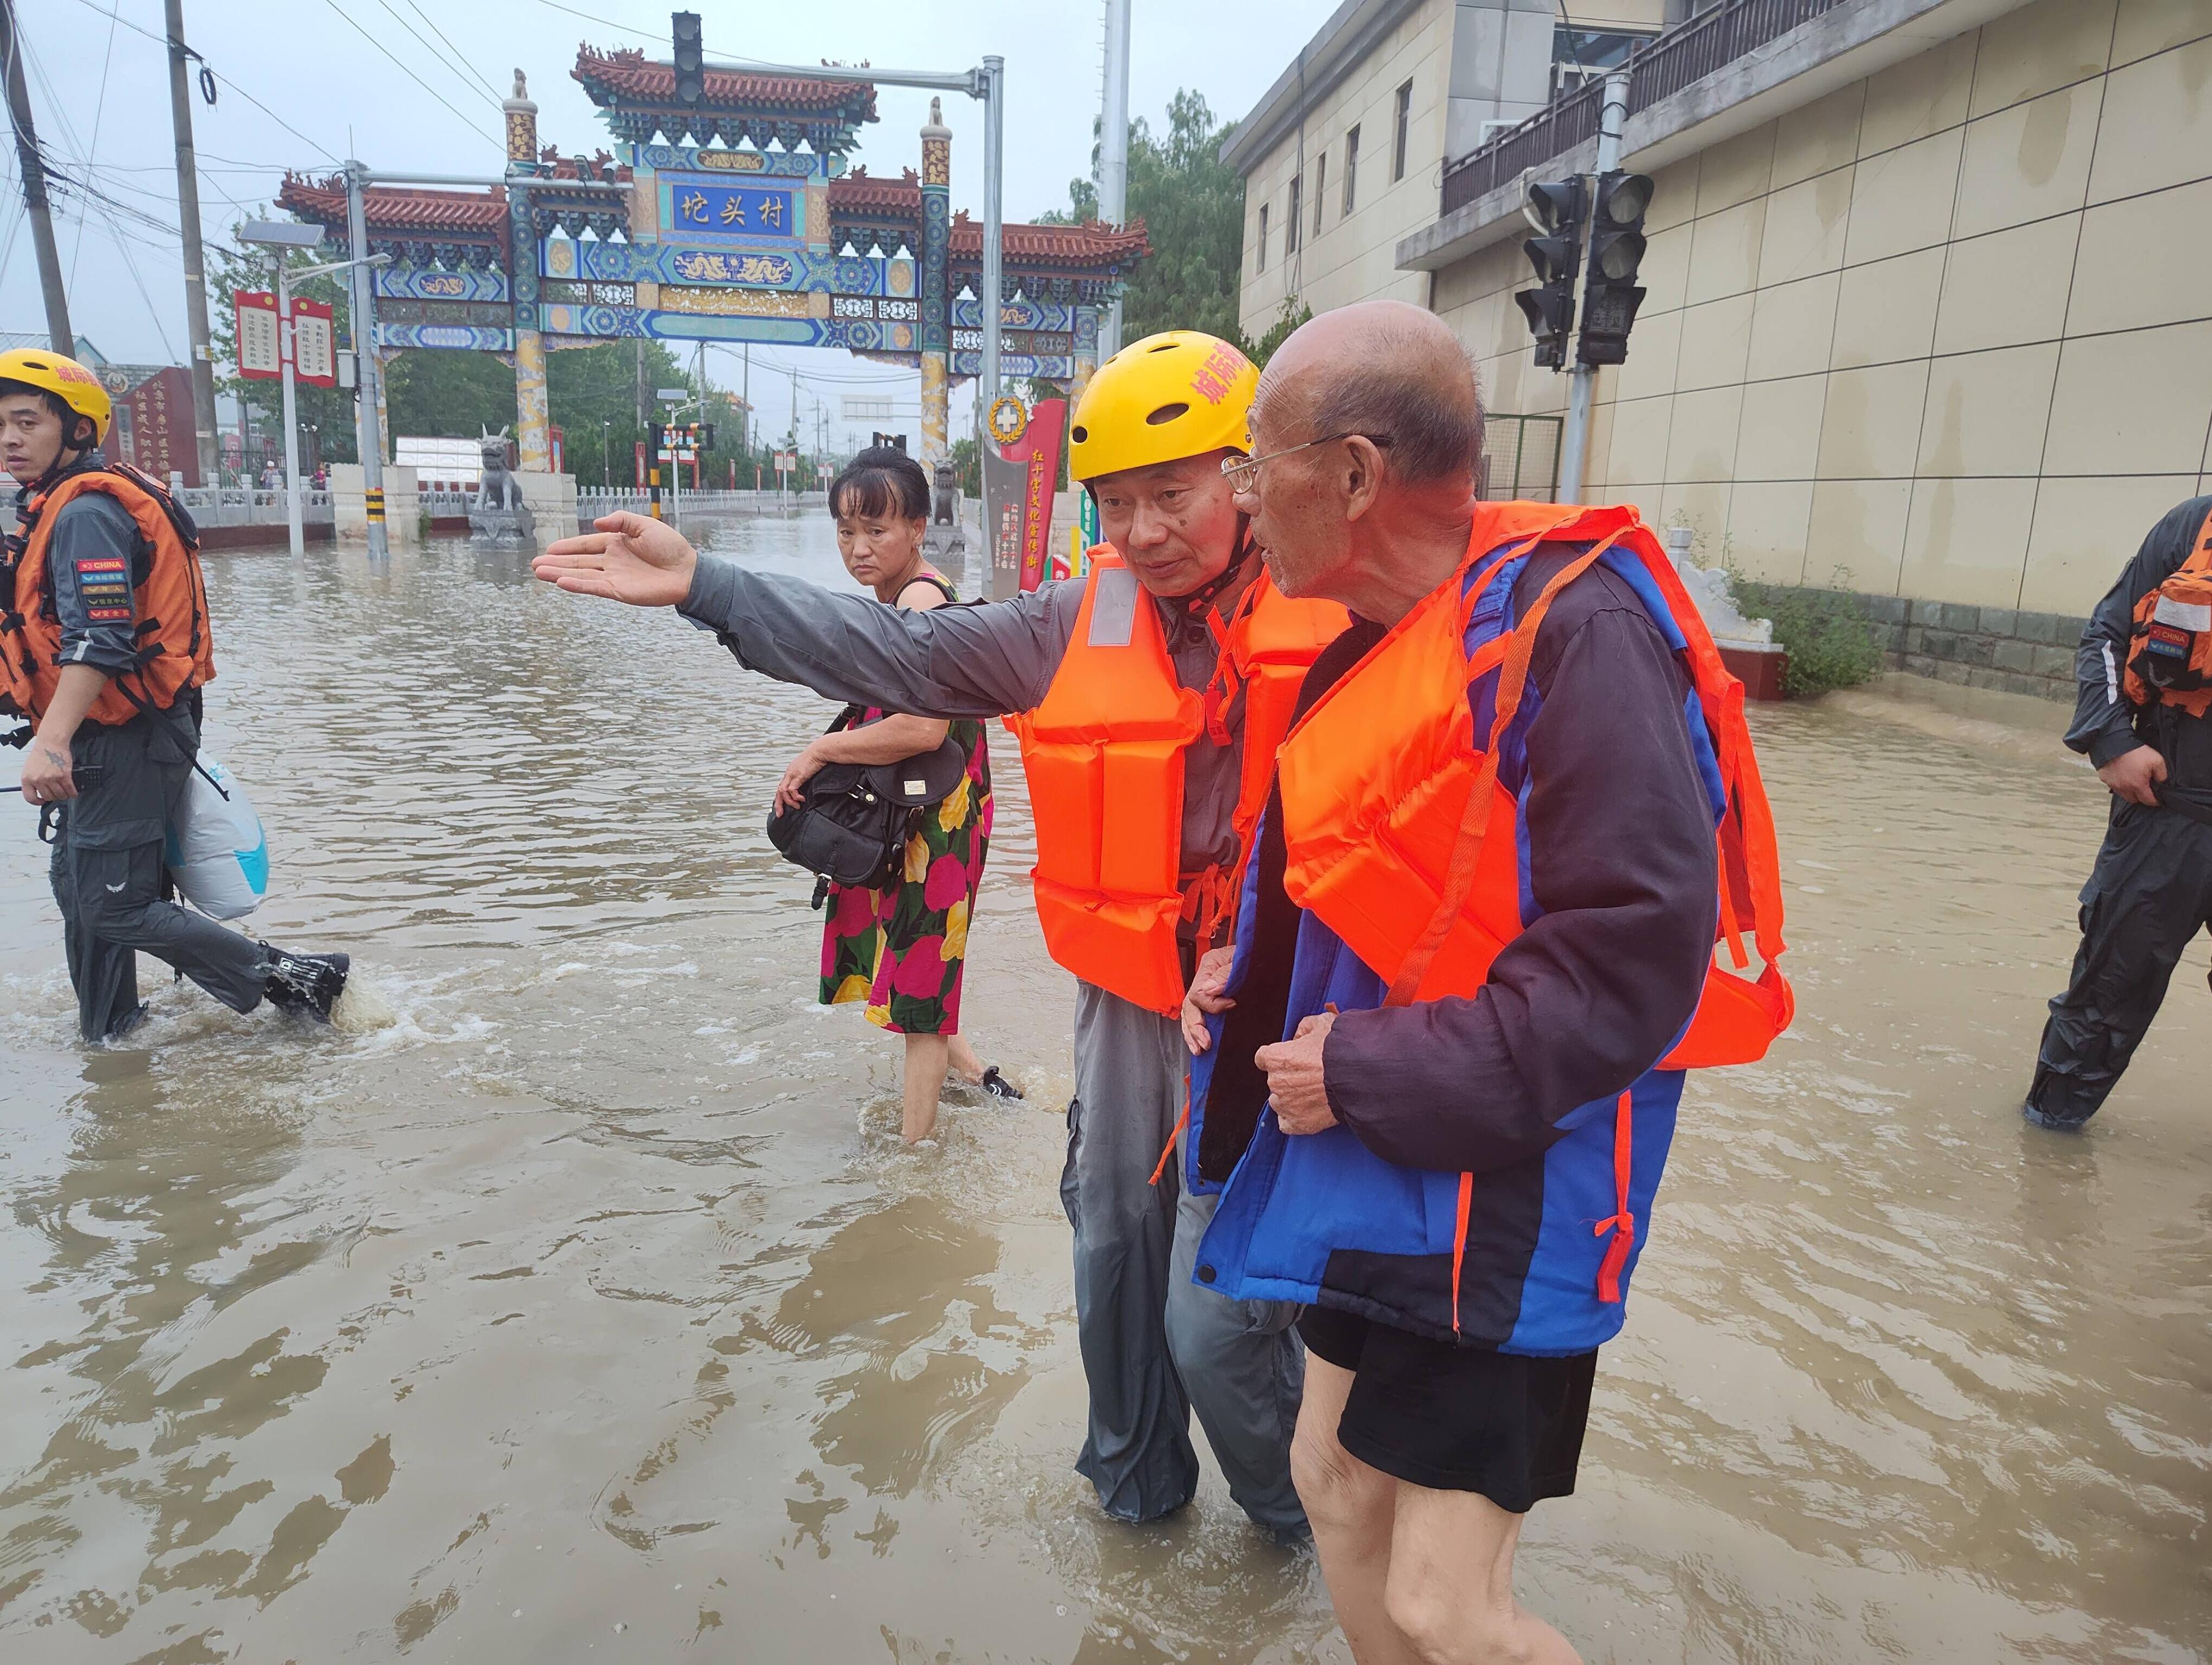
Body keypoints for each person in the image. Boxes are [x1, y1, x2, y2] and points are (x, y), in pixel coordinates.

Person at [533, 331, 1348, 1541]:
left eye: (1170, 494)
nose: (1143, 531)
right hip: (1132, 1000)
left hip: (1273, 1009)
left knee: (1217, 1320)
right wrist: (711, 586)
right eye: (1115, 504)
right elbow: (902, 652)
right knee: (1110, 1258)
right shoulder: (1078, 617)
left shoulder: (1346, 615)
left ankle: (1298, 1531)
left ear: (1245, 476)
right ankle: (1137, 1511)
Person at [1178, 300, 1790, 1663]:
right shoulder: (1384, 635)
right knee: (1334, 1486)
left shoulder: (1580, 636)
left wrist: (1359, 1069)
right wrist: (1244, 981)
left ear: (1347, 475)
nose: (1238, 500)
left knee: (1446, 1602)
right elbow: (1380, 896)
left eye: (1249, 463)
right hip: (1382, 1147)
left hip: (1514, 1175)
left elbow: (1626, 961)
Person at [0, 347, 350, 1041]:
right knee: (81, 892)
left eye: (26, 422)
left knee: (114, 905)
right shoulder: (52, 508)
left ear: (76, 430)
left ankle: (300, 979)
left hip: (124, 734)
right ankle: (109, 1035)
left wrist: (53, 740)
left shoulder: (86, 514)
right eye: (2, 425)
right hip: (106, 731)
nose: (10, 438)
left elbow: (100, 639)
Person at [776, 445, 1020, 1142]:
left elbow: (920, 725)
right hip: (930, 808)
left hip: (936, 822)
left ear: (918, 525)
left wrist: (821, 749)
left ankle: (915, 1158)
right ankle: (979, 1077)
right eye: (846, 531)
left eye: (876, 530)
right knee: (918, 956)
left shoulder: (918, 601)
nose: (858, 548)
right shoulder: (906, 595)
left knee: (919, 990)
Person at [2024, 490, 2212, 1130]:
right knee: (2105, 1002)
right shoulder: (2194, 526)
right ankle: (2045, 1166)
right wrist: (2109, 739)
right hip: (2167, 813)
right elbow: (2106, 634)